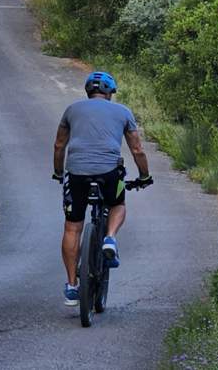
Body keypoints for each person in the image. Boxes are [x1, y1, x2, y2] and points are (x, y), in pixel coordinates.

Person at [52, 71, 153, 306]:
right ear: (109, 93)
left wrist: (59, 172)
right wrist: (145, 176)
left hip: (76, 173)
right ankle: (109, 238)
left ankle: (71, 286)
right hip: (109, 173)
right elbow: (137, 149)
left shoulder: (71, 110)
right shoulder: (123, 112)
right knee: (117, 204)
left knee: (72, 226)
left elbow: (59, 144)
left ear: (89, 91)